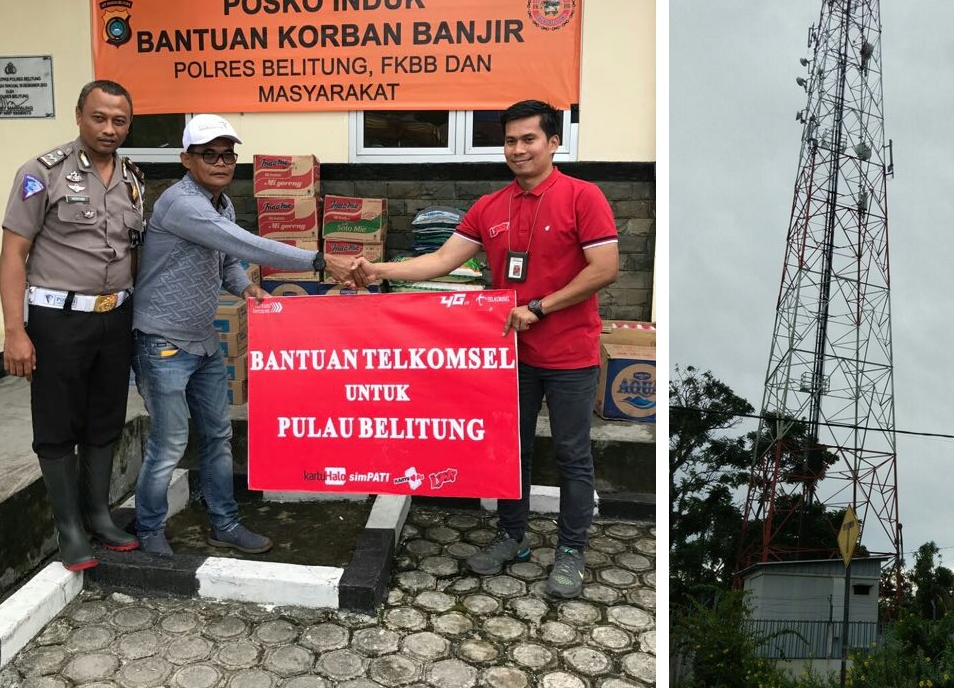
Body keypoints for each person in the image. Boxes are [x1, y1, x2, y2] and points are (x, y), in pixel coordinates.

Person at [355, 100, 619, 598]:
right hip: (509, 356)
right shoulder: (490, 207)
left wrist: (539, 307)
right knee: (510, 452)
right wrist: (381, 270)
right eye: (511, 141)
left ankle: (569, 552)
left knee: (571, 456)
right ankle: (512, 536)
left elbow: (603, 269)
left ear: (553, 142)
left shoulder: (584, 197)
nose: (518, 149)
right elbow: (439, 260)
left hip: (569, 355)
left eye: (529, 139)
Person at [132, 114, 357, 557]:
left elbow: (226, 260)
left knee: (218, 435)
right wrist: (319, 261)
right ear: (185, 159)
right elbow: (244, 245)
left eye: (227, 154)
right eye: (208, 154)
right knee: (170, 442)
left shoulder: (220, 204)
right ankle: (149, 528)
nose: (220, 162)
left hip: (203, 340)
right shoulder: (181, 203)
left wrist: (248, 287)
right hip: (162, 341)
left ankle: (225, 522)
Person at [0, 80, 144, 571]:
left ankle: (99, 515)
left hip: (114, 317)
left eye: (119, 120)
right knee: (58, 421)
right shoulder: (41, 173)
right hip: (57, 319)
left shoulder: (132, 179)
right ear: (80, 115)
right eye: (99, 117)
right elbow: (13, 254)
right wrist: (15, 331)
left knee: (105, 418)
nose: (109, 128)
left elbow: (134, 254)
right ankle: (69, 529)